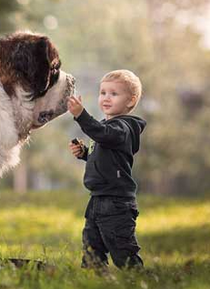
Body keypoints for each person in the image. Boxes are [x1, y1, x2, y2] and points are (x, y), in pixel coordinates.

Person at [67, 69, 146, 269]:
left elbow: (104, 134)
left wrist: (81, 116)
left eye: (114, 93)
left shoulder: (124, 128)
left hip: (116, 203)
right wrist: (84, 153)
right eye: (103, 93)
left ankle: (136, 279)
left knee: (122, 250)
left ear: (130, 100)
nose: (106, 98)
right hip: (97, 199)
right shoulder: (107, 128)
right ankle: (95, 278)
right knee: (92, 248)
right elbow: (105, 154)